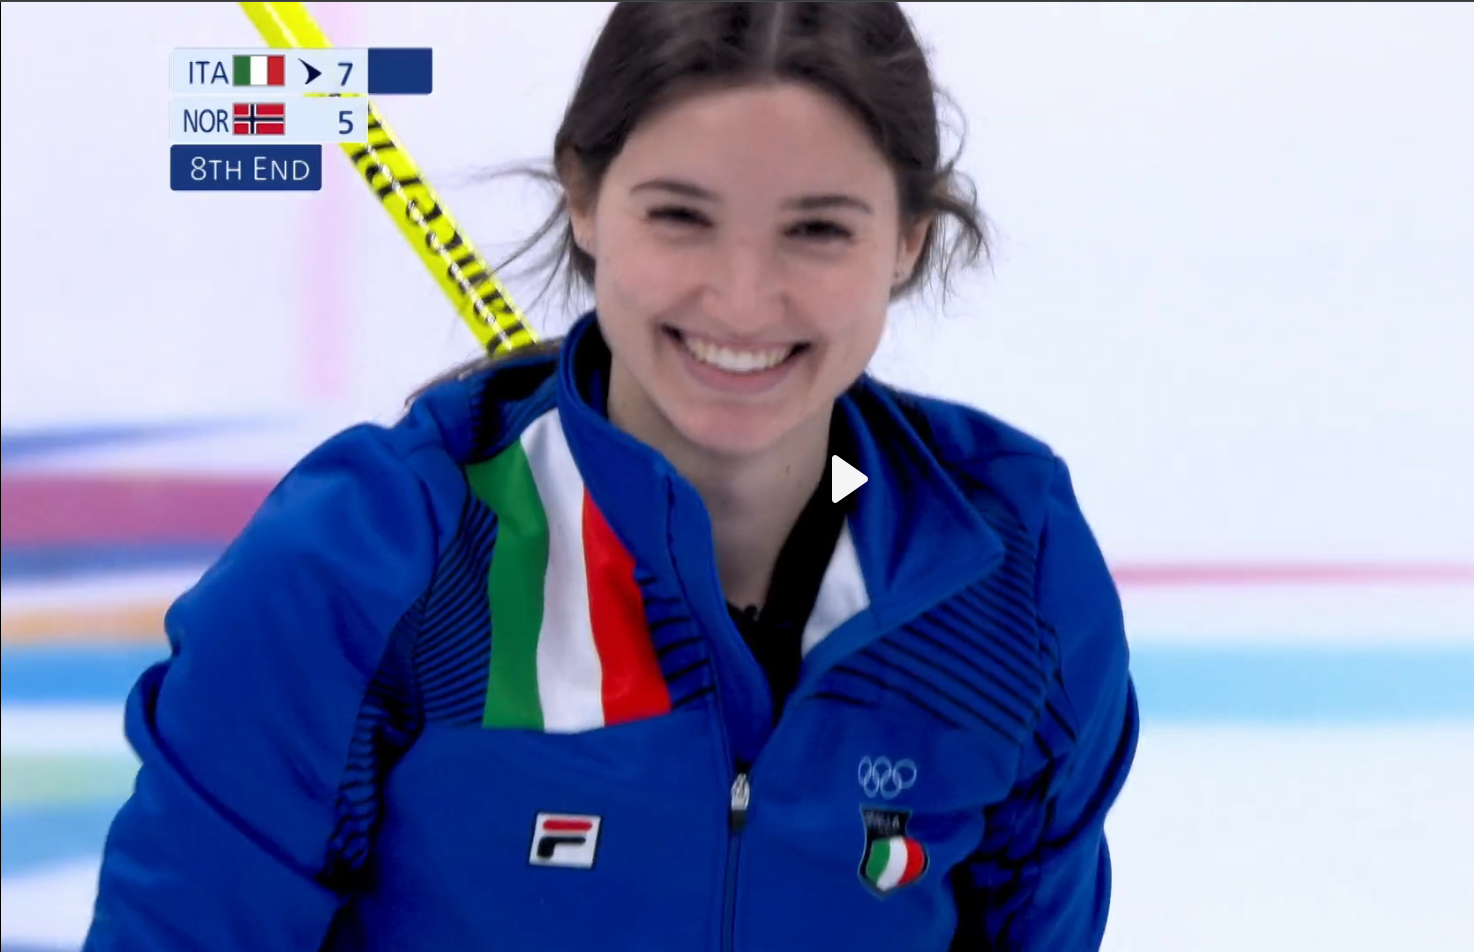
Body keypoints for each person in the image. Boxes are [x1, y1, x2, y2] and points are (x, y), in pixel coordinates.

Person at [83, 3, 1138, 950]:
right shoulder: (375, 559)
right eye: (680, 215)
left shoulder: (1008, 573)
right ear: (585, 198)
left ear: (907, 238)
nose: (741, 297)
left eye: (816, 228)